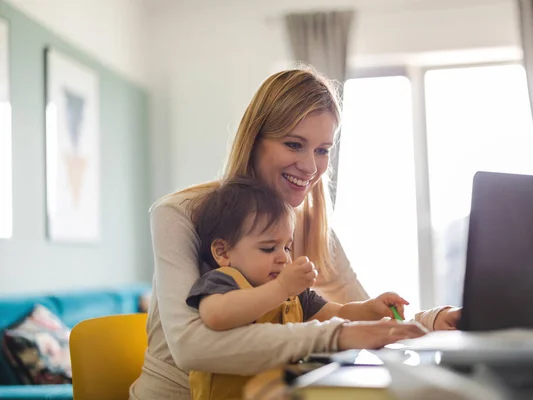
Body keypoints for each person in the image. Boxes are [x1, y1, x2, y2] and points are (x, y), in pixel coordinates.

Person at [129, 67, 461, 400]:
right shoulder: (182, 213)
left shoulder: (312, 225)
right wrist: (337, 336)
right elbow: (192, 348)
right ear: (254, 140)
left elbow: (360, 314)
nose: (310, 166)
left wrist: (428, 321)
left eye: (322, 150)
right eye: (294, 144)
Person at [186, 176, 413, 400]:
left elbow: (338, 313)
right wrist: (282, 287)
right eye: (268, 248)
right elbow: (216, 315)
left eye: (287, 247)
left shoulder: (294, 295)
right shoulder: (223, 280)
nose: (283, 258)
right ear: (223, 252)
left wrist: (370, 308)